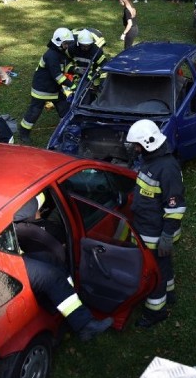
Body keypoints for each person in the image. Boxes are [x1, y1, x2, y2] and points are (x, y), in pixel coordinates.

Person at [14, 193, 114, 341]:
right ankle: (85, 326)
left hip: (13, 253)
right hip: (3, 261)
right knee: (51, 276)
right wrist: (39, 192)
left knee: (51, 259)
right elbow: (22, 212)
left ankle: (67, 299)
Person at [125, 119, 186, 327]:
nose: (135, 148)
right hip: (149, 228)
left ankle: (155, 311)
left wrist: (167, 237)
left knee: (155, 272)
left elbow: (175, 208)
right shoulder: (151, 161)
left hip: (157, 233)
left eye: (137, 145)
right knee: (163, 264)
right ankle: (170, 294)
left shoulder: (167, 169)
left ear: (148, 142)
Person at [18, 28, 76, 144]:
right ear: (59, 42)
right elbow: (58, 76)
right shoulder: (51, 56)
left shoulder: (59, 53)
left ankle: (66, 130)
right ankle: (23, 132)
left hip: (54, 89)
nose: (67, 46)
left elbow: (65, 65)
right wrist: (71, 85)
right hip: (42, 89)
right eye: (66, 43)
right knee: (34, 112)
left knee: (64, 109)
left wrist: (76, 70)